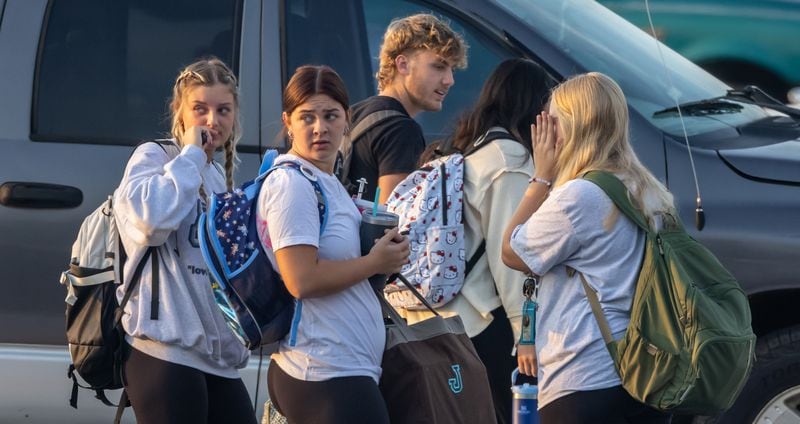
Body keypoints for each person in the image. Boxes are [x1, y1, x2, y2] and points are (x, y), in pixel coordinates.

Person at [500, 72, 673, 423]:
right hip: (641, 370)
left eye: (552, 122)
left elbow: (511, 251)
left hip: (581, 375)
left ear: (573, 127)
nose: (547, 135)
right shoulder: (646, 187)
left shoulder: (578, 196)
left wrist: (541, 178)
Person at [403, 58, 553, 424]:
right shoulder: (511, 160)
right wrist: (527, 338)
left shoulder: (466, 146)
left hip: (438, 320)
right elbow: (513, 256)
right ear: (533, 106)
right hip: (482, 325)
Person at [259, 65, 410, 424]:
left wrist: (386, 259)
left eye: (330, 115)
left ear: (348, 118)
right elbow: (301, 280)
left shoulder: (326, 181)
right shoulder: (292, 185)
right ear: (288, 122)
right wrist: (374, 262)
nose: (319, 128)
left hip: (341, 369)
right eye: (306, 117)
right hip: (324, 371)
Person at [114, 58, 257, 423]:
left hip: (216, 358)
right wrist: (192, 154)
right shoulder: (156, 157)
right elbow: (150, 222)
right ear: (180, 111)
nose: (212, 120)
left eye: (223, 110)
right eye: (200, 109)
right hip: (165, 352)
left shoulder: (217, 179)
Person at [345, 13, 468, 202]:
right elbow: (393, 221)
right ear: (403, 64)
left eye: (452, 69)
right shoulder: (401, 130)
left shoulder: (356, 113)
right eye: (438, 66)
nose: (449, 80)